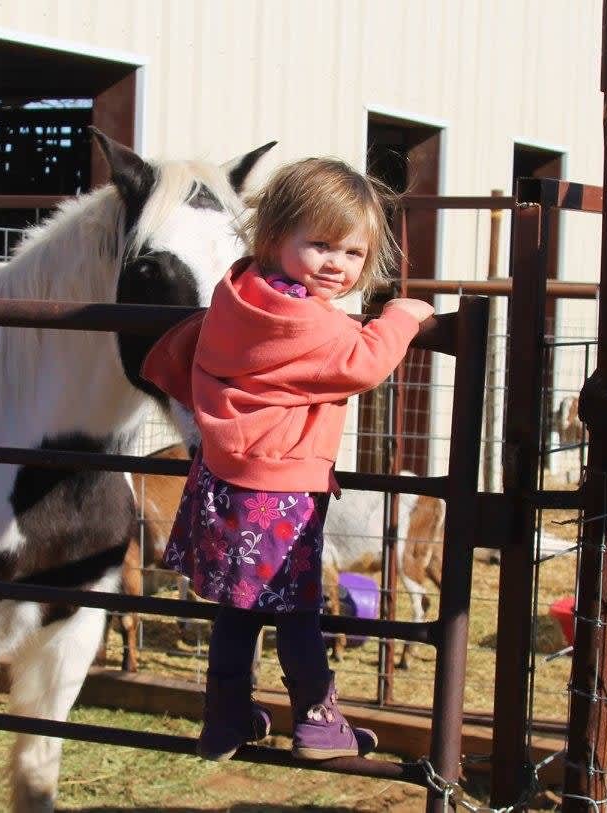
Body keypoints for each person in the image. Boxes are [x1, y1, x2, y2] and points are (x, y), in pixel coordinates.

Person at [141, 157, 434, 761]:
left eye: (353, 253)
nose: (336, 263)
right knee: (298, 612)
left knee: (239, 610)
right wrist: (402, 318)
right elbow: (362, 362)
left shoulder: (239, 296)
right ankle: (319, 724)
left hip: (224, 479)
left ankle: (224, 719)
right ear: (275, 237)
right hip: (280, 495)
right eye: (320, 245)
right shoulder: (303, 319)